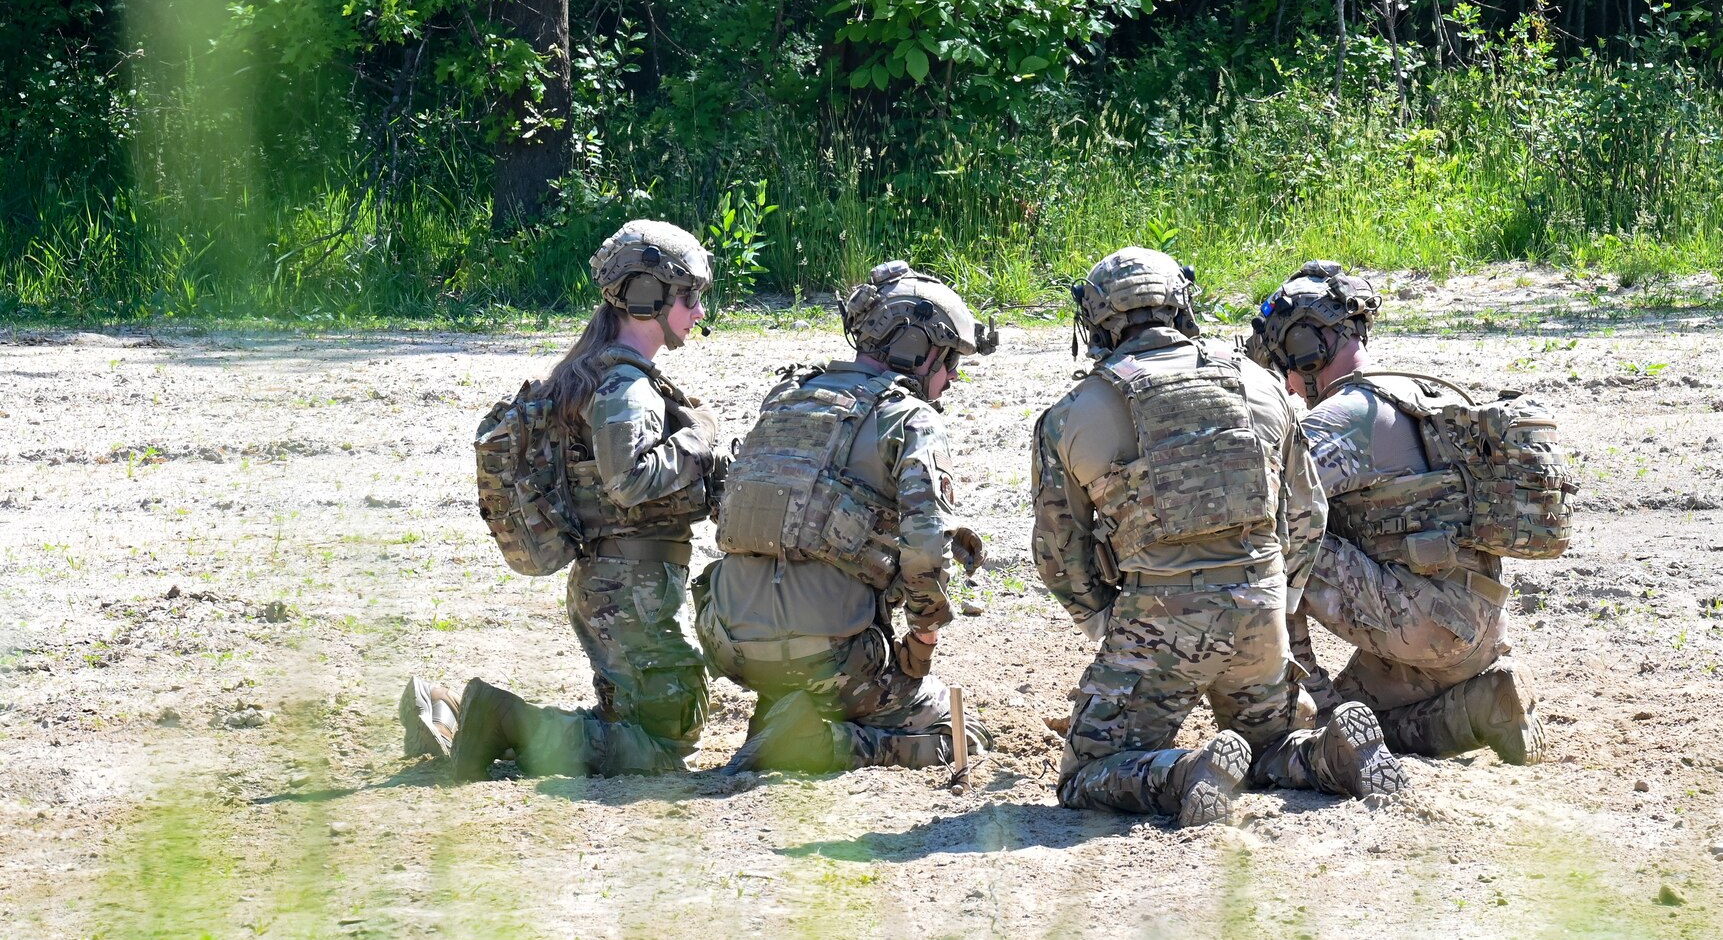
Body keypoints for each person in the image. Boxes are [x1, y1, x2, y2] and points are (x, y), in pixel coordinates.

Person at [1031, 247, 1403, 829]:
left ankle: (1187, 774)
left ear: (1098, 322)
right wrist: (1273, 599)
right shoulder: (1259, 384)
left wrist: (1109, 623)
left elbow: (1060, 555)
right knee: (1271, 746)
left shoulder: (1070, 414)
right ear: (1182, 306)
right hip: (1259, 613)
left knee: (1088, 772)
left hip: (1156, 622)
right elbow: (1306, 516)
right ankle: (1332, 756)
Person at [407, 220, 723, 780]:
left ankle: (458, 718)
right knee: (662, 744)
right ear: (650, 298)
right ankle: (503, 720)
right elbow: (628, 479)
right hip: (629, 589)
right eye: (690, 297)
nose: (699, 312)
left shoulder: (595, 371)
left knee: (647, 718)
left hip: (618, 585)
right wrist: (698, 440)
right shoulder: (625, 388)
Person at [696, 261, 997, 773]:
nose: (949, 379)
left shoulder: (786, 398)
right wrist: (923, 638)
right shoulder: (909, 417)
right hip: (831, 659)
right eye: (948, 361)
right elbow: (926, 547)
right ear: (915, 351)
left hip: (732, 648)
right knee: (959, 730)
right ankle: (825, 743)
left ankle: (788, 712)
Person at [1244, 261, 1546, 766]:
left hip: (1421, 623)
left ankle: (1299, 704)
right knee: (1367, 725)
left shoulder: (1345, 416)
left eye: (1285, 365)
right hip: (1477, 625)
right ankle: (1482, 703)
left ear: (1306, 348)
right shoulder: (1423, 395)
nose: (1291, 385)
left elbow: (1263, 506)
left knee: (1269, 538)